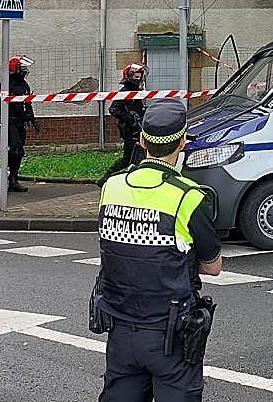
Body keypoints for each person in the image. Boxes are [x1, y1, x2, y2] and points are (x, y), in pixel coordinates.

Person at [93, 98, 223, 402]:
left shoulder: (112, 187)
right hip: (171, 333)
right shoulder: (188, 196)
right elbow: (213, 266)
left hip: (119, 327)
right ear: (183, 142)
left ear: (142, 140)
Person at [0, 55, 38, 193]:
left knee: (19, 152)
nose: (25, 71)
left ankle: (13, 179)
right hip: (8, 122)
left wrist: (32, 118)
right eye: (22, 68)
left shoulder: (24, 85)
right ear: (14, 69)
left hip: (20, 122)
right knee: (15, 150)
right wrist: (0, 122)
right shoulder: (4, 85)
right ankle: (0, 175)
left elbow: (27, 103)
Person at [97, 64, 148, 187]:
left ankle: (137, 180)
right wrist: (131, 120)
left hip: (138, 128)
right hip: (130, 130)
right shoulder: (125, 91)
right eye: (136, 77)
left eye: (140, 77)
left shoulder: (136, 91)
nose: (139, 79)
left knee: (141, 156)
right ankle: (105, 179)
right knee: (127, 159)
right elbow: (114, 109)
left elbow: (136, 108)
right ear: (129, 77)